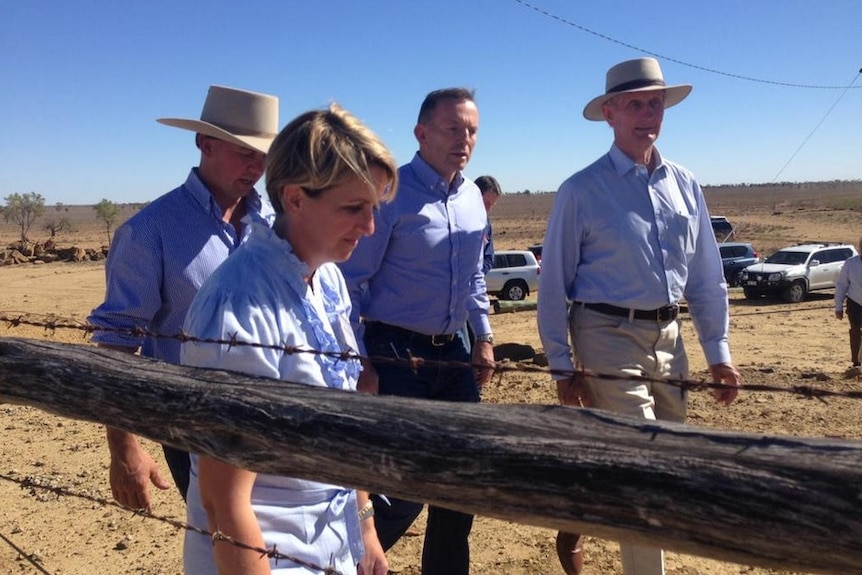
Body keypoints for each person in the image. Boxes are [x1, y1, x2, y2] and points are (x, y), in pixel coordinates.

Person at [537, 58, 741, 575]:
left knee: (669, 462)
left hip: (670, 337)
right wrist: (562, 367)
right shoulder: (580, 190)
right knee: (643, 460)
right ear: (610, 113)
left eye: (656, 103)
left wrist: (718, 352)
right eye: (635, 104)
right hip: (604, 333)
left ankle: (582, 513)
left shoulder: (685, 184)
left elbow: (705, 276)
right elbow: (554, 285)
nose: (648, 114)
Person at [180, 103, 398, 575]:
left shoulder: (327, 279)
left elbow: (347, 416)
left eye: (374, 208)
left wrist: (364, 530)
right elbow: (223, 501)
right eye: (353, 208)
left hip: (332, 546)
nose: (370, 227)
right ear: (295, 198)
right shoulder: (240, 306)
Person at [87, 85, 278, 511]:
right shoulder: (149, 231)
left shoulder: (273, 224)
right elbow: (116, 344)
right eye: (245, 151)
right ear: (204, 143)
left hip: (274, 418)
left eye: (264, 155)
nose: (257, 165)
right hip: (193, 425)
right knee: (225, 547)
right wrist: (124, 449)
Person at [338, 87, 495, 575]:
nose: (463, 139)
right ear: (421, 133)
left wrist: (484, 336)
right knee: (399, 489)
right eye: (452, 128)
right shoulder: (390, 194)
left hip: (454, 354)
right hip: (394, 352)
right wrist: (359, 357)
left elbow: (472, 276)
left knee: (459, 489)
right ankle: (345, 563)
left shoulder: (472, 198)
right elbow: (351, 279)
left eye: (471, 130)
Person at [834, 236, 862, 369]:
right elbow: (841, 285)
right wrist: (838, 306)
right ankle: (856, 362)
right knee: (855, 331)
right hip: (854, 303)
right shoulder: (851, 263)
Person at [475, 175, 502, 274]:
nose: (489, 209)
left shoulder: (486, 225)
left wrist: (478, 274)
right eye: (486, 203)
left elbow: (489, 256)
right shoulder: (453, 220)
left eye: (492, 205)